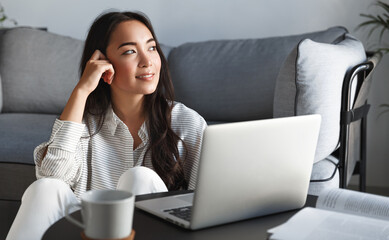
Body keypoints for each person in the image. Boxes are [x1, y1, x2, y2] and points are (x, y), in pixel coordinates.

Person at [7, 11, 206, 240]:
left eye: (151, 47)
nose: (147, 61)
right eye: (130, 51)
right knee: (44, 189)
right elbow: (53, 175)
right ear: (103, 63)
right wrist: (81, 91)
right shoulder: (85, 123)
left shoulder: (186, 121)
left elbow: (205, 203)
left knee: (140, 177)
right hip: (89, 232)